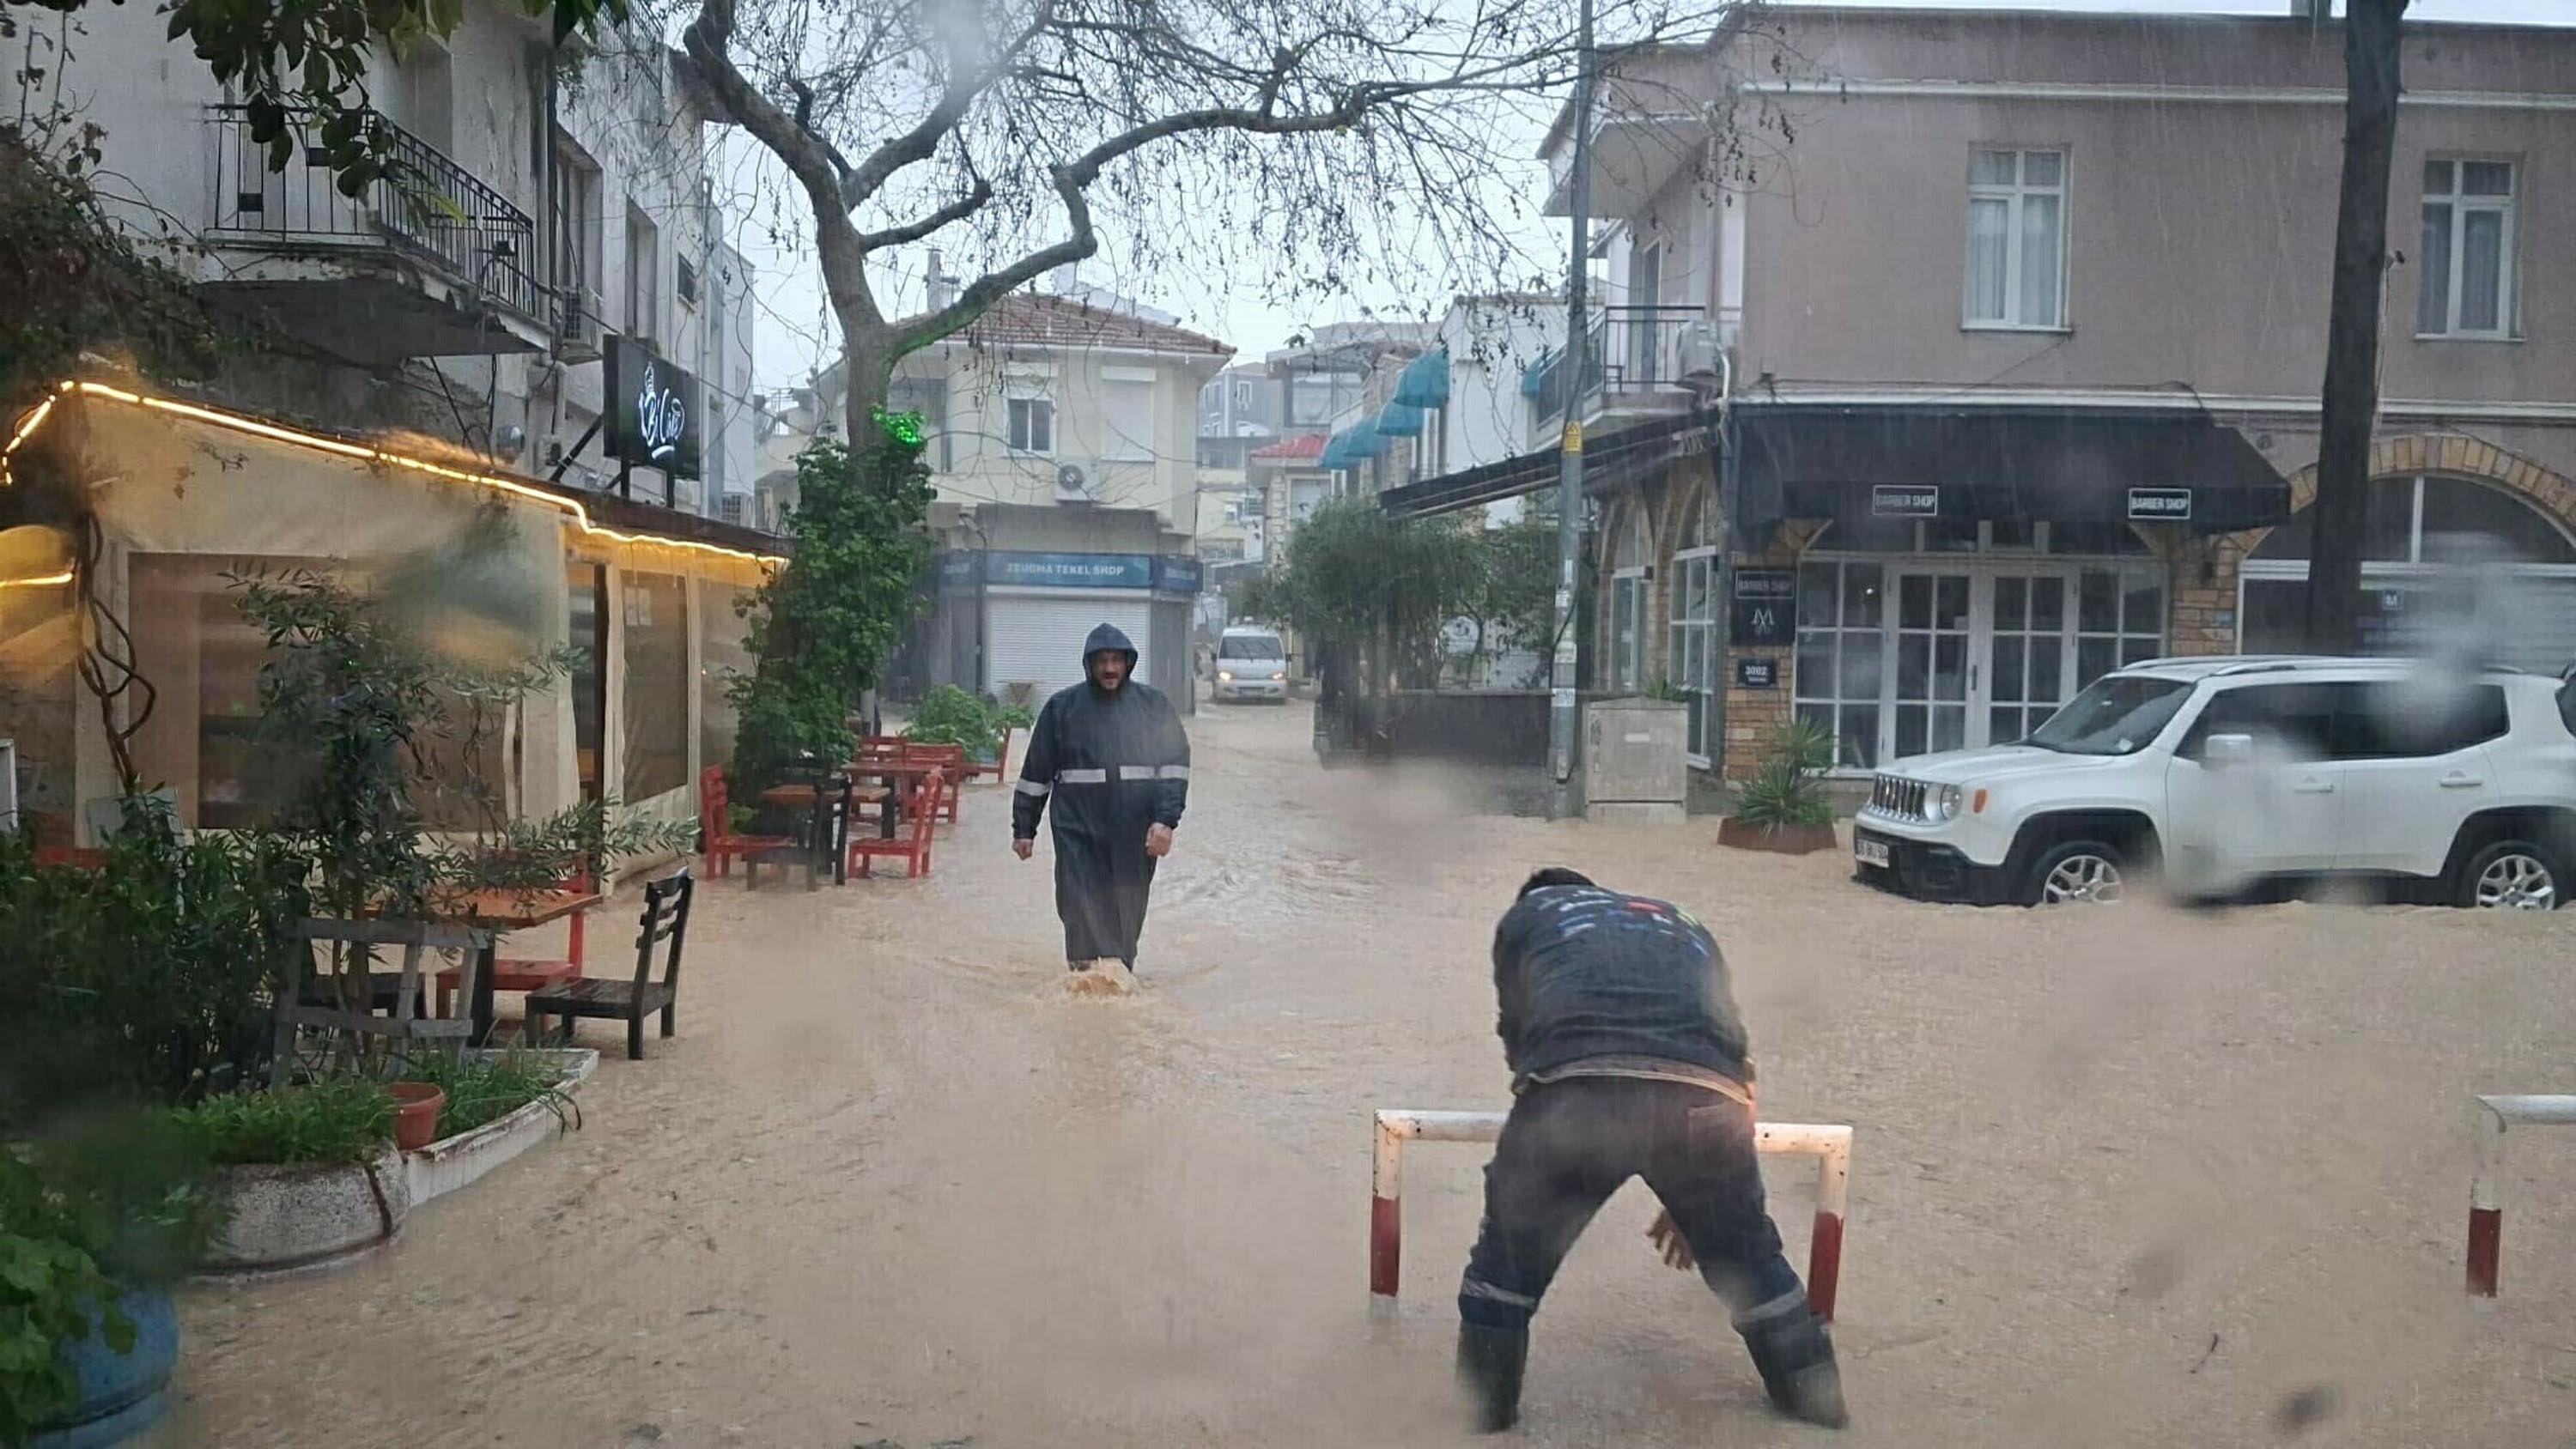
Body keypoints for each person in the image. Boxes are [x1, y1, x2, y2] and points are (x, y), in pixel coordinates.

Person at [1455, 867, 1847, 1434]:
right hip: (1708, 1102)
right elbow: (1736, 1063)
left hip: (1575, 1092)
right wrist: (1699, 1197)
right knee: (1753, 1266)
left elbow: (1523, 1049)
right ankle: (1821, 1411)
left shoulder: (1527, 919)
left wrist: (1534, 1167)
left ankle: (1481, 1418)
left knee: (1506, 1270)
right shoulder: (1681, 922)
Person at [1012, 623, 1191, 989]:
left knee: (1126, 905)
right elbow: (1036, 774)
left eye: (1116, 661)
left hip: (1133, 832)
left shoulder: (1153, 708)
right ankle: (1084, 982)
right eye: (1102, 661)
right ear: (1089, 665)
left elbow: (1174, 767)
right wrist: (1023, 829)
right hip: (1077, 830)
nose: (1109, 669)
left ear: (1128, 663)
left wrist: (1165, 821)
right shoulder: (1062, 710)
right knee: (1078, 904)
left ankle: (1118, 980)